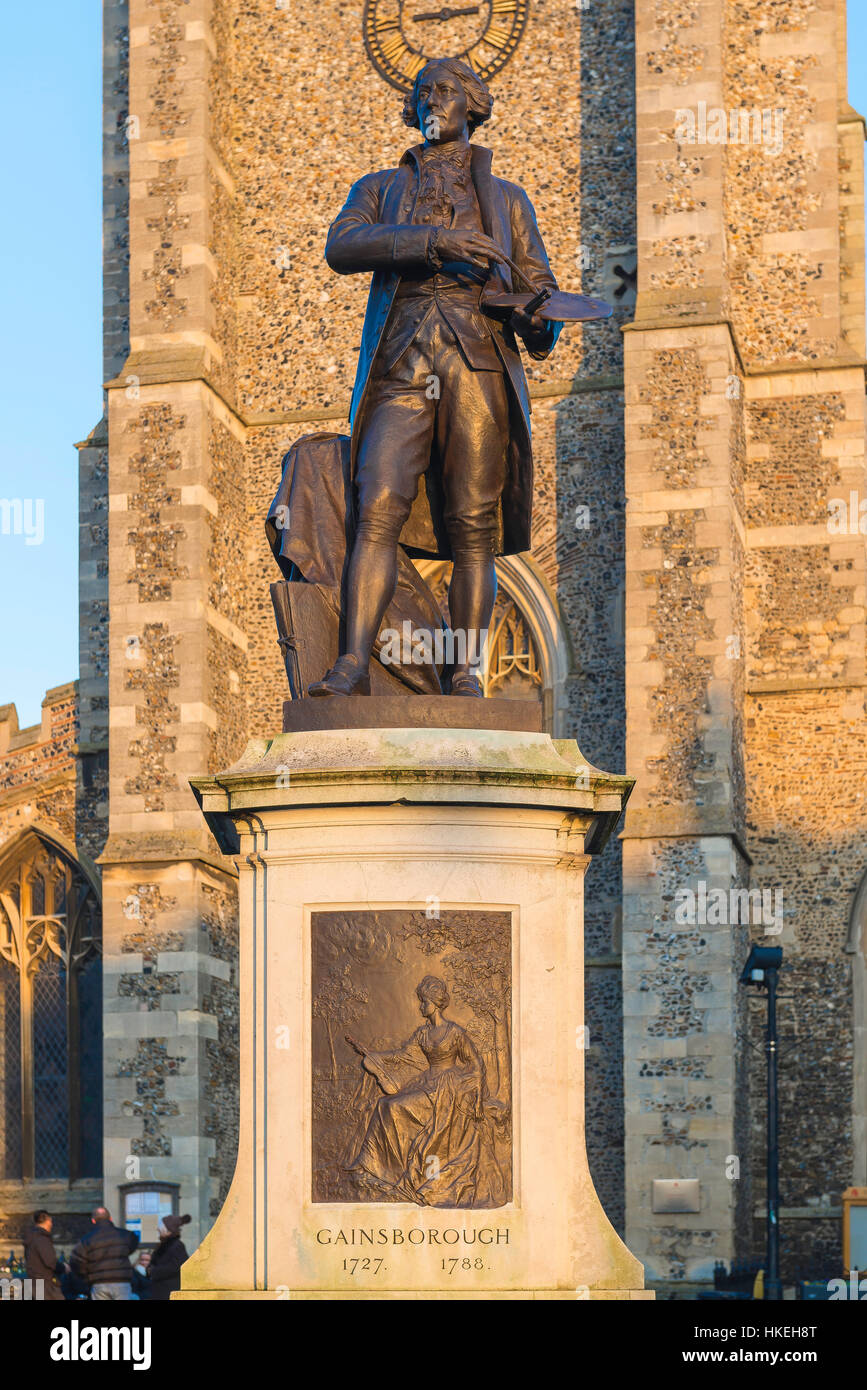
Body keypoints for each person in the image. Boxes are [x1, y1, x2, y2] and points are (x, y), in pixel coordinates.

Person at [309, 56, 561, 699]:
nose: (430, 101)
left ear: (472, 104)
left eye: (443, 91)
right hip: (403, 358)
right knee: (377, 503)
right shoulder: (380, 187)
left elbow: (541, 294)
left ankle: (466, 674)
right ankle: (351, 667)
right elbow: (344, 246)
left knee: (474, 522)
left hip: (477, 358)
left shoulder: (507, 199)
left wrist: (538, 317)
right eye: (422, 93)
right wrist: (434, 242)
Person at [343, 975, 509, 1207]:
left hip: (447, 1088)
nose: (421, 1006)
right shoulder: (422, 1033)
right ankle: (375, 1165)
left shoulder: (455, 1033)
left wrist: (475, 1095)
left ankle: (401, 1172)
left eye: (424, 1002)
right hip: (427, 1082)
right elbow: (403, 1054)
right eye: (421, 1002)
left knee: (394, 1106)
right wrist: (376, 1056)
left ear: (435, 1002)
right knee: (385, 1105)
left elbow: (476, 1064)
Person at [70, 1206, 138, 1300]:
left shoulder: (86, 1239)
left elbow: (76, 1261)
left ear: (93, 1221)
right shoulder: (126, 1235)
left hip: (99, 1282)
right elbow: (133, 1245)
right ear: (110, 1218)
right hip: (121, 1281)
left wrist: (86, 1277)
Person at [145, 1214, 191, 1300]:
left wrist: (154, 1271)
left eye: (161, 1227)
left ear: (169, 1231)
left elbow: (176, 1266)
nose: (158, 1229)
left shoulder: (177, 1246)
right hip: (160, 1290)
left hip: (168, 1291)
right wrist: (149, 1270)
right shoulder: (163, 1245)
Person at [24, 1210, 65, 1301]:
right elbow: (50, 1261)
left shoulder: (31, 1237)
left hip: (33, 1282)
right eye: (51, 1221)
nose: (52, 1224)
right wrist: (63, 1267)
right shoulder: (41, 1239)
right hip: (44, 1284)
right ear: (47, 1221)